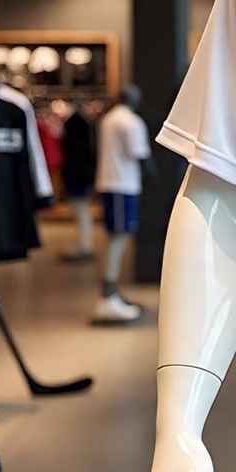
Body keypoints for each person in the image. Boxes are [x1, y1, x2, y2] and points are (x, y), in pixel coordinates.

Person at [92, 85, 151, 324]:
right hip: (121, 184)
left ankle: (111, 294)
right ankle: (108, 296)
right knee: (119, 237)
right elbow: (138, 153)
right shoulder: (130, 121)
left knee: (118, 237)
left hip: (114, 183)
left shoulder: (109, 118)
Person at [60, 103, 97, 262]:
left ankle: (84, 247)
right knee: (82, 211)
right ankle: (84, 245)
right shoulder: (84, 124)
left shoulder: (75, 124)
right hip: (81, 175)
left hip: (77, 176)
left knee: (81, 211)